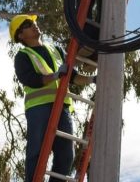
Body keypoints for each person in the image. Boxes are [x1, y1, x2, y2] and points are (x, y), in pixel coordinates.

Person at [10, 14, 96, 182]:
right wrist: (56, 75)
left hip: (62, 107)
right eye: (28, 24)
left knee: (66, 155)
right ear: (20, 35)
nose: (34, 25)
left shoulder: (55, 49)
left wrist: (93, 79)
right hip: (39, 108)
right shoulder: (23, 56)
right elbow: (30, 79)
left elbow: (72, 75)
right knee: (37, 151)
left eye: (34, 22)